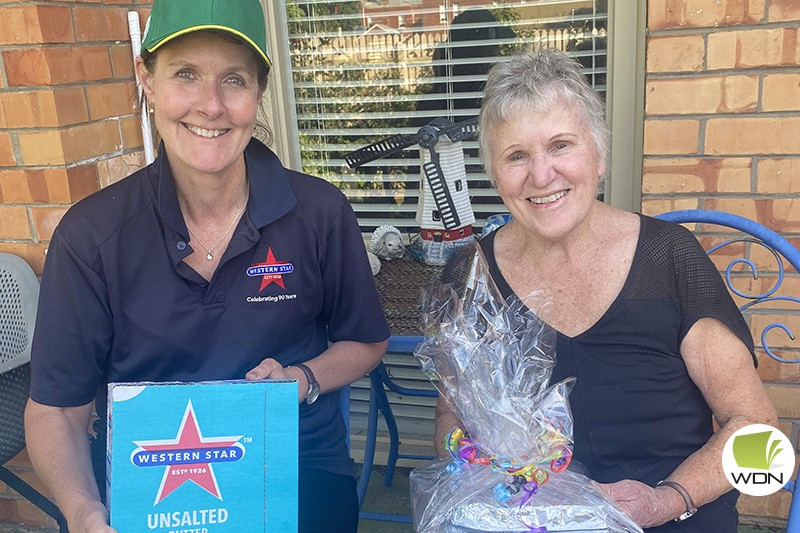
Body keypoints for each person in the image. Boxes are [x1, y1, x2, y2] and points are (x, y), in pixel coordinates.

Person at [24, 1, 389, 532]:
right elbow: (56, 409)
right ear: (146, 80)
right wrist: (82, 512)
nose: (211, 106)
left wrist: (303, 379)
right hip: (145, 476)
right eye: (186, 75)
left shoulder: (319, 211)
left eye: (235, 80)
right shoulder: (91, 237)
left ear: (259, 93)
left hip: (294, 464)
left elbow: (366, 341)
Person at [434, 48, 777, 532]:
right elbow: (454, 413)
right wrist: (476, 468)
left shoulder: (669, 258)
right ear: (495, 174)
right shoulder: (470, 276)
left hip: (672, 513)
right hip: (527, 517)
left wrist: (667, 500)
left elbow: (756, 428)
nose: (541, 175)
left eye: (560, 146)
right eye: (516, 156)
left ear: (598, 156)